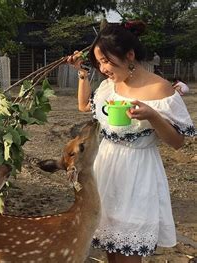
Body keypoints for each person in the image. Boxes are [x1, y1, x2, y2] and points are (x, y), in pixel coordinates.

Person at [67, 20, 195, 263]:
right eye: (99, 62)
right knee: (111, 250)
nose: (103, 68)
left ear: (130, 55)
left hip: (137, 174)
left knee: (129, 253)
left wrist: (152, 115)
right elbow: (85, 106)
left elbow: (178, 142)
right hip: (106, 168)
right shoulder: (109, 86)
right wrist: (82, 73)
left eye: (107, 61)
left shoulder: (160, 89)